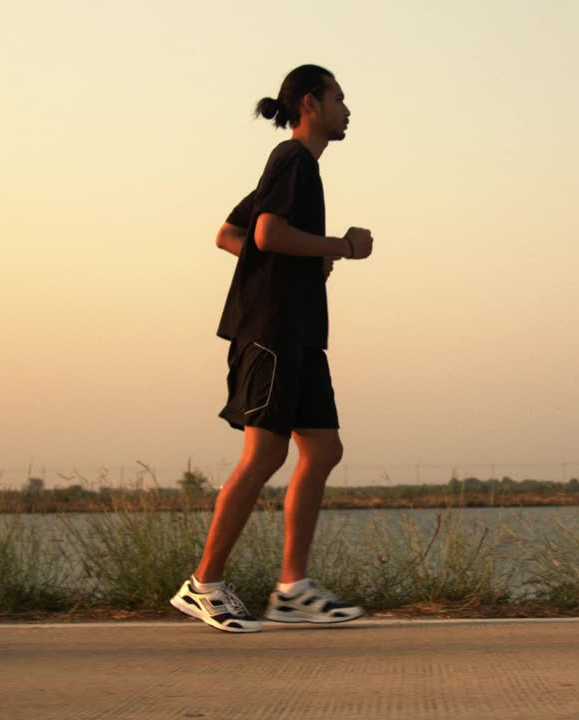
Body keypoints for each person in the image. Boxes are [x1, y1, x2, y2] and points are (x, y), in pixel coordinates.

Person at [170, 64, 373, 633]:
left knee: (323, 449)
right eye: (339, 97)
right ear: (311, 103)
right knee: (264, 456)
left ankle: (292, 589)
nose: (348, 108)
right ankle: (203, 583)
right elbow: (264, 235)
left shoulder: (295, 168)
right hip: (272, 331)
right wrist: (342, 247)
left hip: (300, 333)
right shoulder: (293, 161)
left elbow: (230, 235)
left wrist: (297, 260)